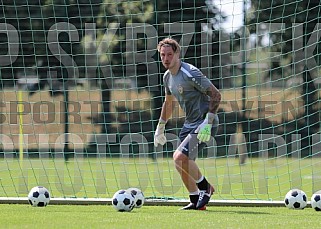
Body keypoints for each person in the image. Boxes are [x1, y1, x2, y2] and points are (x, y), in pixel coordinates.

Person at [154, 38, 221, 210]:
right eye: (163, 55)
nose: (166, 58)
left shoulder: (190, 72)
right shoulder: (167, 77)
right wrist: (160, 127)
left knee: (179, 157)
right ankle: (194, 199)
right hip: (190, 124)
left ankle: (205, 188)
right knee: (179, 162)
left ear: (177, 54)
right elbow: (169, 103)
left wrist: (208, 121)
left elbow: (216, 95)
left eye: (170, 54)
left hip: (205, 122)